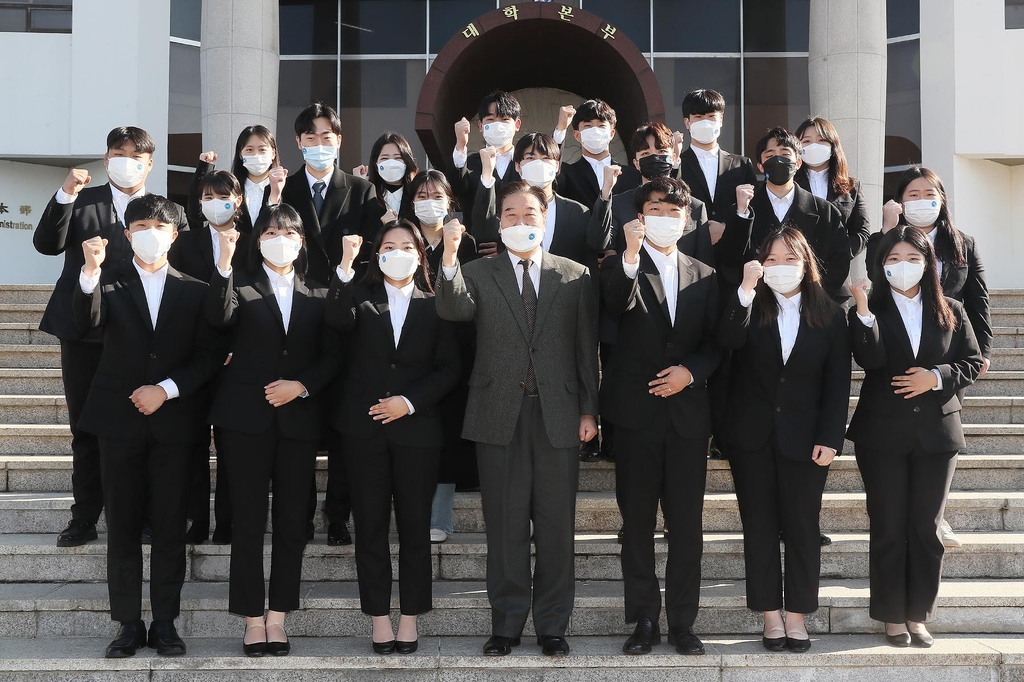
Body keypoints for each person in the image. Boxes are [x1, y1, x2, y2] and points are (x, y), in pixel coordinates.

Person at [435, 181, 599, 657]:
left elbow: (585, 348)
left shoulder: (574, 275)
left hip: (560, 414)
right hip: (496, 414)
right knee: (504, 525)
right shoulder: (477, 272)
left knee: (555, 526)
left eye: (529, 214)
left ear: (545, 219)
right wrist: (447, 257)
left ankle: (552, 625)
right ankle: (505, 624)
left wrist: (589, 408)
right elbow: (452, 308)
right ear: (498, 221)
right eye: (510, 214)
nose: (520, 222)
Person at [73, 194, 223, 658]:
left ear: (174, 235)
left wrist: (168, 389)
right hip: (118, 424)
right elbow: (85, 325)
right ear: (126, 233)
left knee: (170, 526)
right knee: (120, 527)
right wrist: (90, 271)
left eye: (159, 226)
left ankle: (165, 622)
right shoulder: (107, 283)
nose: (149, 233)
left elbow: (209, 355)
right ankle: (127, 624)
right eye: (140, 225)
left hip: (176, 424)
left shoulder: (196, 289)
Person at [33, 126, 188, 548]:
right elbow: (47, 243)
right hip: (83, 328)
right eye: (119, 153)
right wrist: (65, 191)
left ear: (150, 163)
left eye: (137, 155)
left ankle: (140, 515)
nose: (127, 161)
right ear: (106, 159)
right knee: (85, 425)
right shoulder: (81, 200)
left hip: (139, 332)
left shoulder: (163, 210)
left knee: (139, 426)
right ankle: (84, 516)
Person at [205, 204, 341, 657]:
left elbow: (332, 355)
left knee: (290, 523)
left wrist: (301, 386)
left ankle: (279, 617)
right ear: (256, 238)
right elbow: (216, 322)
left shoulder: (319, 292)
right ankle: (251, 618)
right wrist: (223, 265)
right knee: (246, 520)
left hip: (298, 420)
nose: (279, 238)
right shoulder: (237, 284)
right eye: (269, 231)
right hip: (244, 419)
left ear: (302, 240)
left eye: (287, 232)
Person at [327, 221, 461, 654]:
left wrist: (409, 401)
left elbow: (449, 368)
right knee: (369, 527)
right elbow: (334, 321)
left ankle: (410, 618)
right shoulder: (359, 299)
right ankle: (379, 619)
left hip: (418, 431)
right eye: (389, 246)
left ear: (421, 254)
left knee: (415, 529)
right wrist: (345, 267)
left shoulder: (436, 302)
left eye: (407, 245)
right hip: (363, 431)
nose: (398, 251)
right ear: (376, 254)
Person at [600, 177, 721, 656]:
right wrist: (629, 255)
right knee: (637, 525)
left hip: (688, 418)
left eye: (673, 210)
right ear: (639, 215)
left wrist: (689, 373)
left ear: (687, 219)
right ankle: (644, 619)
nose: (664, 217)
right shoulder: (618, 267)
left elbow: (716, 344)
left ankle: (682, 623)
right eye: (655, 208)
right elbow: (613, 309)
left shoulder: (706, 274)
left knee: (687, 527)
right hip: (635, 417)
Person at [848, 226, 983, 648]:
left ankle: (917, 615)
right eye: (892, 259)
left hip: (937, 433)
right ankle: (891, 616)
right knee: (888, 525)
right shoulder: (868, 309)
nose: (902, 266)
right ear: (880, 264)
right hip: (882, 432)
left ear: (928, 263)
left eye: (911, 257)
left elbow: (974, 360)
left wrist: (937, 377)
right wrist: (864, 311)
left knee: (926, 526)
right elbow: (869, 360)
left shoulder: (953, 310)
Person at [717, 227, 850, 653]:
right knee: (757, 527)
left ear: (806, 263)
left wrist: (831, 437)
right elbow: (727, 343)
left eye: (789, 259)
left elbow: (837, 383)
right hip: (750, 437)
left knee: (802, 528)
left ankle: (797, 617)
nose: (779, 267)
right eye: (770, 259)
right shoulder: (747, 303)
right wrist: (745, 290)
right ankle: (770, 616)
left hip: (807, 440)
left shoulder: (831, 314)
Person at [866, 166, 992, 549]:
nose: (921, 201)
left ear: (942, 199)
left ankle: (937, 516)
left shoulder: (963, 244)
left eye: (928, 193)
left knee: (939, 435)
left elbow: (978, 300)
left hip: (945, 352)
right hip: (897, 355)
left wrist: (981, 350)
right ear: (900, 201)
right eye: (912, 195)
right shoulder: (888, 240)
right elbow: (877, 279)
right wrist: (888, 230)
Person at [169, 170, 267, 544]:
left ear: (238, 200)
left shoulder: (256, 240)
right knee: (193, 442)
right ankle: (196, 519)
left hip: (237, 359)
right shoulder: (186, 242)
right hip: (193, 356)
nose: (214, 203)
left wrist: (236, 347)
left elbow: (258, 298)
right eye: (206, 197)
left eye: (222, 196)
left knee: (232, 446)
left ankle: (227, 520)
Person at [405, 169, 480, 542]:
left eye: (437, 195)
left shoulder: (465, 242)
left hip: (458, 345)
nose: (428, 202)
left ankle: (441, 515)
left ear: (450, 200)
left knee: (451, 430)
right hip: (412, 345)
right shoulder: (404, 239)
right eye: (421, 195)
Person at [716, 126, 851, 301]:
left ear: (798, 162)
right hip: (760, 306)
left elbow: (839, 260)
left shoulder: (824, 211)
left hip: (812, 306)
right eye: (770, 156)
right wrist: (741, 215)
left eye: (785, 154)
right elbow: (729, 260)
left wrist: (814, 296)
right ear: (760, 166)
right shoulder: (743, 209)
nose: (778, 160)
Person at [280, 101, 379, 284]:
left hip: (345, 293)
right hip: (297, 294)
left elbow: (370, 251)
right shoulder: (283, 190)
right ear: (299, 142)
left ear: (338, 141)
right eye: (311, 138)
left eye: (326, 138)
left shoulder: (362, 191)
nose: (319, 145)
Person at [674, 88, 758, 273]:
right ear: (687, 122)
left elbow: (754, 211)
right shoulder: (677, 165)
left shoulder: (741, 164)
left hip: (733, 262)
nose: (705, 122)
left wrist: (727, 229)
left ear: (721, 120)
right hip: (689, 260)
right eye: (698, 117)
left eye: (711, 116)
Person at [794, 116, 871, 258]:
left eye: (821, 140)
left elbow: (862, 232)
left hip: (838, 273)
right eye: (806, 141)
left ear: (833, 145)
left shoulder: (852, 186)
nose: (814, 145)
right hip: (798, 268)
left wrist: (841, 254)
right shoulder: (790, 185)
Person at [187, 125, 281, 234]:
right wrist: (204, 168)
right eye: (249, 150)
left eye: (262, 149)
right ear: (240, 154)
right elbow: (197, 214)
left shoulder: (285, 187)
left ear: (273, 153)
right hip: (235, 249)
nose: (256, 155)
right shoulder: (230, 187)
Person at [556, 99, 639, 208]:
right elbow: (550, 163)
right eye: (588, 126)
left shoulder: (632, 175)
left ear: (611, 134)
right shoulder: (568, 174)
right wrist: (561, 129)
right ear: (577, 135)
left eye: (601, 126)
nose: (595, 131)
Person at [353, 131, 419, 226]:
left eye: (397, 158)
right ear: (376, 164)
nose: (391, 163)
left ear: (406, 162)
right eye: (385, 158)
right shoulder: (368, 194)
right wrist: (358, 186)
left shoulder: (416, 193)